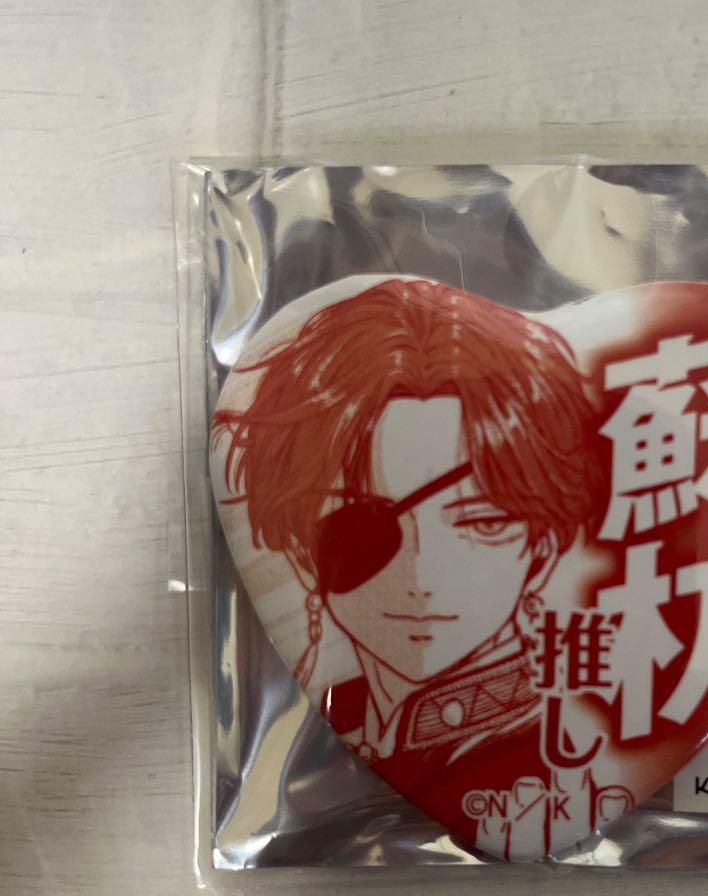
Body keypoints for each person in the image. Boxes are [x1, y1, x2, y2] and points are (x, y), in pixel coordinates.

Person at [213, 278, 630, 858]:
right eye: (368, 526)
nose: (422, 577)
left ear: (541, 544)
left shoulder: (570, 742)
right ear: (302, 542)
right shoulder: (332, 724)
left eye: (482, 524)